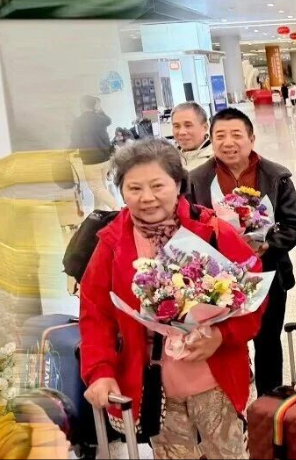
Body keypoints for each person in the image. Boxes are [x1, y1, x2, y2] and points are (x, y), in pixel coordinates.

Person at [80, 139, 264, 459]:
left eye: (157, 185)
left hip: (216, 379)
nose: (147, 197)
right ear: (121, 191)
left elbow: (254, 297)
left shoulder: (212, 231)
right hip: (156, 386)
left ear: (177, 184)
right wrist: (100, 371)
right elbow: (95, 313)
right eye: (134, 188)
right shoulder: (113, 243)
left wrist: (221, 335)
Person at [189, 107, 296, 396]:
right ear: (211, 140)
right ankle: (230, 404)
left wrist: (268, 245)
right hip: (216, 280)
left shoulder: (276, 177)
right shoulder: (196, 180)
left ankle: (268, 404)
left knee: (268, 341)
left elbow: (292, 224)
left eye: (236, 135)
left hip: (268, 274)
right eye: (220, 136)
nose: (228, 142)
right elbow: (188, 226)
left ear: (251, 138)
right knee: (223, 341)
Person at [70, 95, 117, 211]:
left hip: (91, 161)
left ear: (82, 105)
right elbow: (109, 120)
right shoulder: (101, 119)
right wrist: (100, 110)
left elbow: (75, 141)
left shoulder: (79, 121)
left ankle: (117, 208)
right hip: (105, 158)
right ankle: (100, 211)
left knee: (97, 188)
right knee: (102, 186)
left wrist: (65, 152)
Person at [171, 102, 213, 170]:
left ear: (205, 127)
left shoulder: (219, 161)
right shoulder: (168, 160)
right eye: (176, 126)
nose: (181, 132)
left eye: (188, 125)